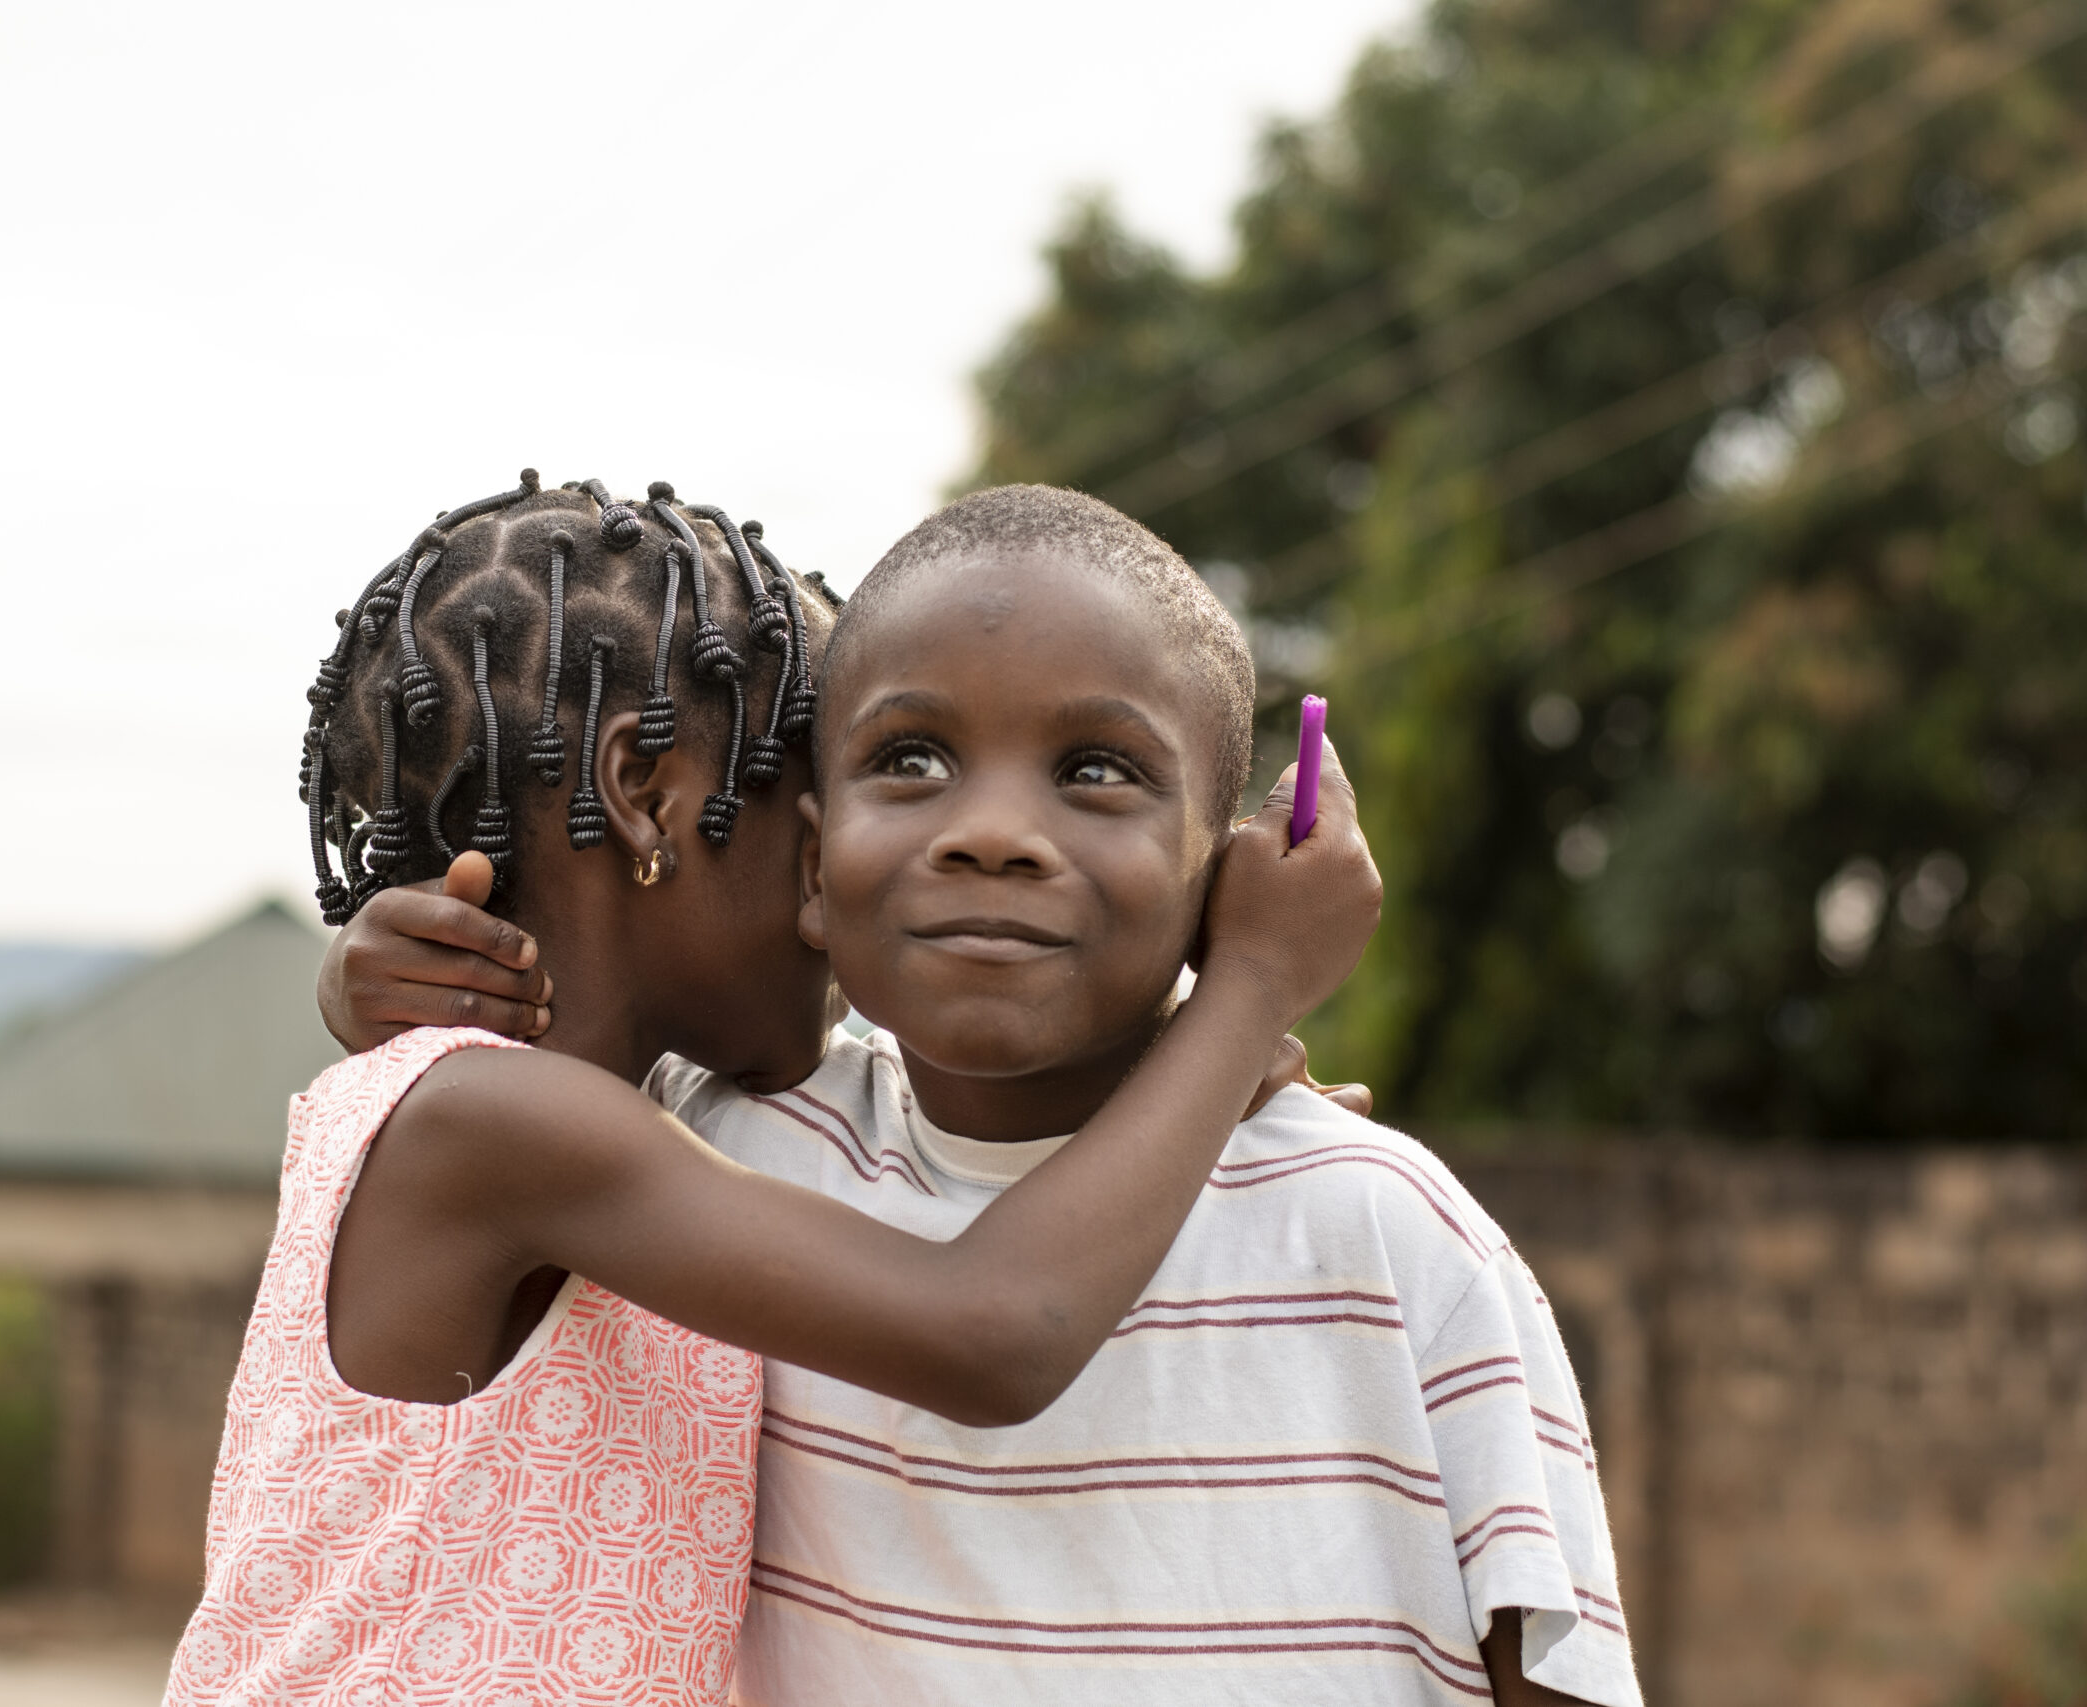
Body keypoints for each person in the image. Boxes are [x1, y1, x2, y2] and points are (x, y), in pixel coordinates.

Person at [327, 485, 1642, 1707]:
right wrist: (1244, 1000)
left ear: (1228, 865)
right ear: (810, 854)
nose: (993, 831)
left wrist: (1228, 1039)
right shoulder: (715, 1149)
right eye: (906, 761)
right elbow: (987, 1326)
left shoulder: (1385, 1231)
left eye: (1096, 771)